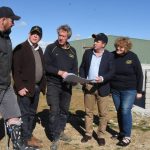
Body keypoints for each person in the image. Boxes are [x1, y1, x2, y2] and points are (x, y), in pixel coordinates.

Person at [0, 6, 37, 150]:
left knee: (14, 115)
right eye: (12, 20)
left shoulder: (7, 37)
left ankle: (18, 146)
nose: (14, 23)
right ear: (3, 20)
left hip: (6, 85)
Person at [44, 24, 78, 150]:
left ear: (68, 37)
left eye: (63, 36)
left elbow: (75, 69)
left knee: (64, 111)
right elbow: (46, 66)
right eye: (59, 35)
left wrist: (75, 79)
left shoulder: (72, 51)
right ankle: (55, 137)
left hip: (67, 86)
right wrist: (59, 72)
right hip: (53, 84)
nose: (60, 38)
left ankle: (60, 131)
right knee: (54, 111)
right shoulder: (51, 48)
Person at [12, 26, 46, 148]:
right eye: (33, 33)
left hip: (35, 87)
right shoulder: (20, 48)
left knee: (32, 113)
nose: (35, 36)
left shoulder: (40, 50)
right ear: (29, 34)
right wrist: (20, 87)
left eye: (38, 34)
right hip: (24, 88)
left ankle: (28, 135)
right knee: (24, 113)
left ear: (40, 37)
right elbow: (15, 70)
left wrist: (42, 86)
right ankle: (25, 138)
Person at [79, 33, 115, 146]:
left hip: (103, 87)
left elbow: (112, 72)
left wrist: (103, 78)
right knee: (88, 112)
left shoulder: (109, 56)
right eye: (95, 41)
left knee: (103, 114)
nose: (94, 42)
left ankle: (100, 135)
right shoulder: (88, 53)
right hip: (89, 86)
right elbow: (82, 67)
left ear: (103, 44)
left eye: (97, 41)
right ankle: (88, 133)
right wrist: (83, 80)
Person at [110, 37, 143, 146]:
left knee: (125, 110)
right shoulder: (111, 55)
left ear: (126, 47)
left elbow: (139, 74)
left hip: (129, 89)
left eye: (121, 47)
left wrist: (139, 91)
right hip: (115, 89)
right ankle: (122, 133)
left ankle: (127, 137)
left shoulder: (132, 56)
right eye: (117, 46)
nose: (118, 48)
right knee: (119, 111)